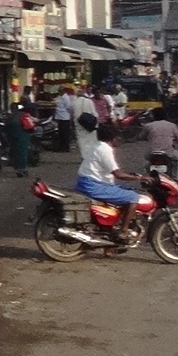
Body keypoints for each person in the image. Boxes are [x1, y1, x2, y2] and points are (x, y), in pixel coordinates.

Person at [73, 112, 140, 241]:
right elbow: (118, 174)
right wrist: (140, 178)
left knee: (126, 191)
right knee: (133, 197)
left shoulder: (95, 146)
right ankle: (123, 231)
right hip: (93, 185)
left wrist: (130, 175)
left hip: (87, 182)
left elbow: (112, 169)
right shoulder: (105, 150)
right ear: (113, 138)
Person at [9, 100, 36, 176]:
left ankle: (18, 168)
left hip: (14, 137)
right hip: (24, 136)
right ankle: (22, 169)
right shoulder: (25, 115)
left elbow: (6, 128)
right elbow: (32, 124)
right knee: (23, 152)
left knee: (16, 152)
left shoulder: (11, 117)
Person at [53, 87, 77, 154]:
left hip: (65, 117)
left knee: (65, 133)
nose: (59, 92)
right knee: (61, 133)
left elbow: (68, 107)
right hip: (60, 117)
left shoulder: (66, 98)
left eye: (60, 90)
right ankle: (61, 147)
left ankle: (66, 147)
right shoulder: (60, 97)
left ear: (63, 91)